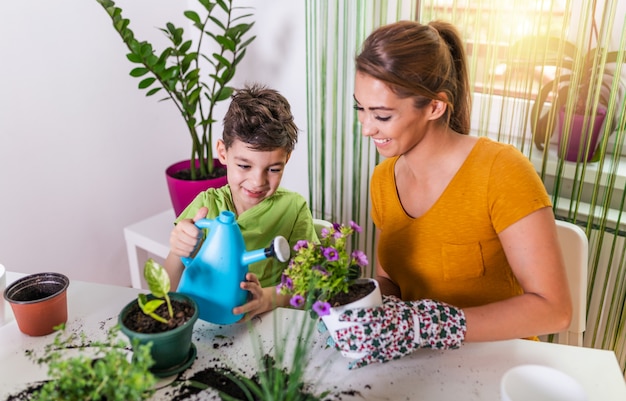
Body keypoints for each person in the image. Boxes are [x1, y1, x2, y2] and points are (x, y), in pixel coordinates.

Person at [333, 20, 572, 368]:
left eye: (382, 115)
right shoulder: (383, 178)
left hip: (501, 366)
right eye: (361, 109)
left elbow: (555, 310)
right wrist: (358, 308)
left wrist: (428, 325)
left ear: (434, 107)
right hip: (421, 364)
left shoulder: (502, 171)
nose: (367, 128)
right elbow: (390, 280)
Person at [164, 83, 318, 321]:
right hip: (205, 319)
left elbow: (310, 282)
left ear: (287, 159)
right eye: (244, 166)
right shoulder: (206, 206)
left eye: (274, 169)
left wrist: (268, 298)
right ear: (223, 153)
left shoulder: (293, 208)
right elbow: (167, 291)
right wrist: (177, 252)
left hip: (269, 320)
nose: (257, 182)